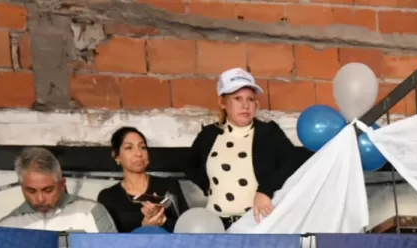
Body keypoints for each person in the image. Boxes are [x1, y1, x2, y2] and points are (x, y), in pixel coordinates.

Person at [186, 68, 309, 228]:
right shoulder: (209, 135)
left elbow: (291, 162)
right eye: (237, 98)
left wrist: (265, 190)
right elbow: (188, 164)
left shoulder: (269, 132)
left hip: (256, 224)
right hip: (217, 225)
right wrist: (209, 185)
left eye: (250, 99)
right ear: (223, 103)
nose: (245, 105)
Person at [0, 147, 117, 232]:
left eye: (47, 190)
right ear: (21, 187)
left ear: (62, 184)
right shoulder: (6, 227)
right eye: (31, 191)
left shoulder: (90, 212)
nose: (40, 199)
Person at [96, 127, 188, 233]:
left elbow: (187, 228)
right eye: (129, 148)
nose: (139, 153)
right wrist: (144, 229)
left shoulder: (168, 186)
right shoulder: (108, 197)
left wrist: (163, 220)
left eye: (143, 147)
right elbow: (106, 242)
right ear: (116, 156)